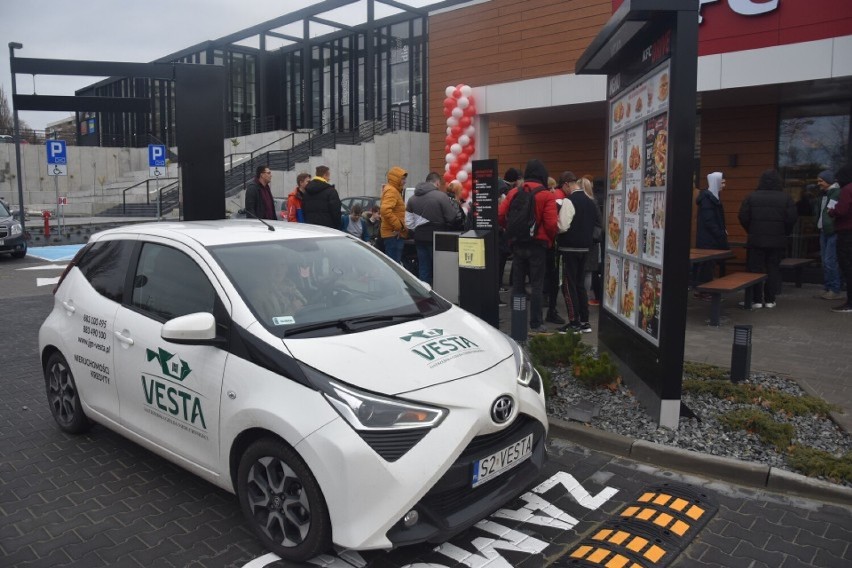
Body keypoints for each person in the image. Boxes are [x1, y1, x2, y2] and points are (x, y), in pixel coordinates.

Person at [497, 159, 558, 333]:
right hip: (537, 245)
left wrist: (510, 230)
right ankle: (536, 323)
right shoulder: (546, 195)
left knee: (518, 284)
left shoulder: (514, 192)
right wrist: (548, 239)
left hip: (517, 243)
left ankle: (518, 319)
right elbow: (552, 224)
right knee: (536, 284)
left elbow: (500, 215)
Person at [738, 169, 797, 309]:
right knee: (773, 269)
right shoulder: (786, 198)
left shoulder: (751, 197)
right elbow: (792, 218)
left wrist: (751, 230)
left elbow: (743, 217)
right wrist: (784, 232)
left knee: (755, 269)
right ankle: (770, 300)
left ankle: (756, 300)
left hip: (756, 240)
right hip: (777, 240)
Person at [555, 171, 598, 333]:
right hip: (585, 248)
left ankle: (573, 322)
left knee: (568, 285)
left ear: (567, 184)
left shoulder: (569, 201)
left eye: (563, 187)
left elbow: (562, 226)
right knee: (580, 285)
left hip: (569, 249)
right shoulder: (590, 201)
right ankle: (585, 321)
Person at [406, 172, 459, 285]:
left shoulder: (412, 198)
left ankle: (424, 294)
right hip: (438, 238)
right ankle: (438, 296)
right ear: (437, 182)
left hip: (419, 238)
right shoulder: (441, 196)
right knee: (438, 268)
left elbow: (409, 223)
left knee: (423, 267)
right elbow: (451, 217)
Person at [694, 171, 730, 296]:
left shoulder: (711, 198)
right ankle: (704, 291)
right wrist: (721, 233)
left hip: (710, 239)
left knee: (708, 266)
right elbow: (710, 221)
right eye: (722, 182)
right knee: (706, 266)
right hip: (708, 241)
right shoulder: (708, 200)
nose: (724, 185)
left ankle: (705, 290)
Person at [827, 163, 852, 313]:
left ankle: (850, 302)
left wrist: (832, 211)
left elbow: (841, 210)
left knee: (847, 267)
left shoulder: (847, 189)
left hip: (847, 233)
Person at [815, 169, 842, 300]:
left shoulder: (836, 193)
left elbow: (834, 212)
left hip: (832, 231)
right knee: (825, 261)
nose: (818, 183)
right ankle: (828, 287)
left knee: (830, 261)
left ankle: (835, 289)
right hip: (823, 231)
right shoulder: (824, 194)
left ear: (829, 181)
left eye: (821, 180)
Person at [580, 177, 603, 306]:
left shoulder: (585, 202)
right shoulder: (593, 201)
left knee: (585, 271)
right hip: (592, 241)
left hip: (586, 240)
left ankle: (584, 296)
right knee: (588, 271)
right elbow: (599, 222)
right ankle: (586, 296)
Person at [380, 166, 409, 263]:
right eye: (403, 179)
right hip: (393, 235)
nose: (404, 181)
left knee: (393, 264)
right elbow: (385, 210)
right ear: (396, 179)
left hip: (393, 234)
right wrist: (398, 226)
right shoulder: (392, 190)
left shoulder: (394, 190)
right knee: (394, 266)